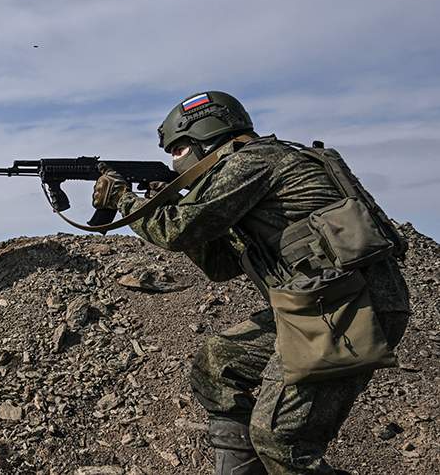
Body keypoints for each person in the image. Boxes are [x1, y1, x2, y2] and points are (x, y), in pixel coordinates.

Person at [92, 91, 410, 474]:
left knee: (280, 440)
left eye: (178, 149)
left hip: (351, 307)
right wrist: (172, 209)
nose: (174, 161)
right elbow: (221, 266)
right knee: (216, 364)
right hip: (319, 304)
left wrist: (125, 200)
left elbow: (173, 231)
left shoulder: (253, 161)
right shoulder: (259, 164)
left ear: (206, 137)